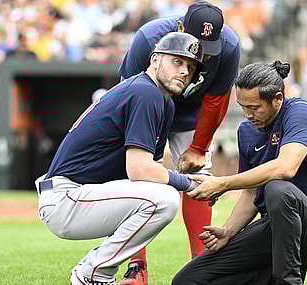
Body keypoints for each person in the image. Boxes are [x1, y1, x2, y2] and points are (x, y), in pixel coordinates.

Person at [35, 32, 208, 285]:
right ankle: (92, 275)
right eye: (177, 62)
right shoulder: (145, 93)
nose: (184, 71)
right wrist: (191, 184)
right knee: (166, 199)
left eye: (191, 68)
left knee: (161, 193)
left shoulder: (163, 102)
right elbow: (139, 170)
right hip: (66, 198)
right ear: (155, 59)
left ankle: (96, 274)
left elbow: (151, 170)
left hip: (83, 195)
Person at [172, 61, 307, 285]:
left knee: (277, 189)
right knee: (188, 279)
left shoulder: (299, 112)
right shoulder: (246, 131)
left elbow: (285, 168)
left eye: (254, 108)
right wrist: (228, 230)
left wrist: (223, 184)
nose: (247, 115)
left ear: (277, 99)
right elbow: (249, 195)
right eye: (243, 107)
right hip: (273, 228)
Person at [118, 1, 240, 282]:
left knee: (200, 176)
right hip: (149, 107)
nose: (201, 55)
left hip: (192, 116)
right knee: (139, 179)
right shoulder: (148, 38)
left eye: (208, 47)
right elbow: (128, 92)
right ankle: (136, 268)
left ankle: (202, 269)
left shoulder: (230, 46)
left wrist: (199, 147)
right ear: (181, 29)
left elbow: (216, 100)